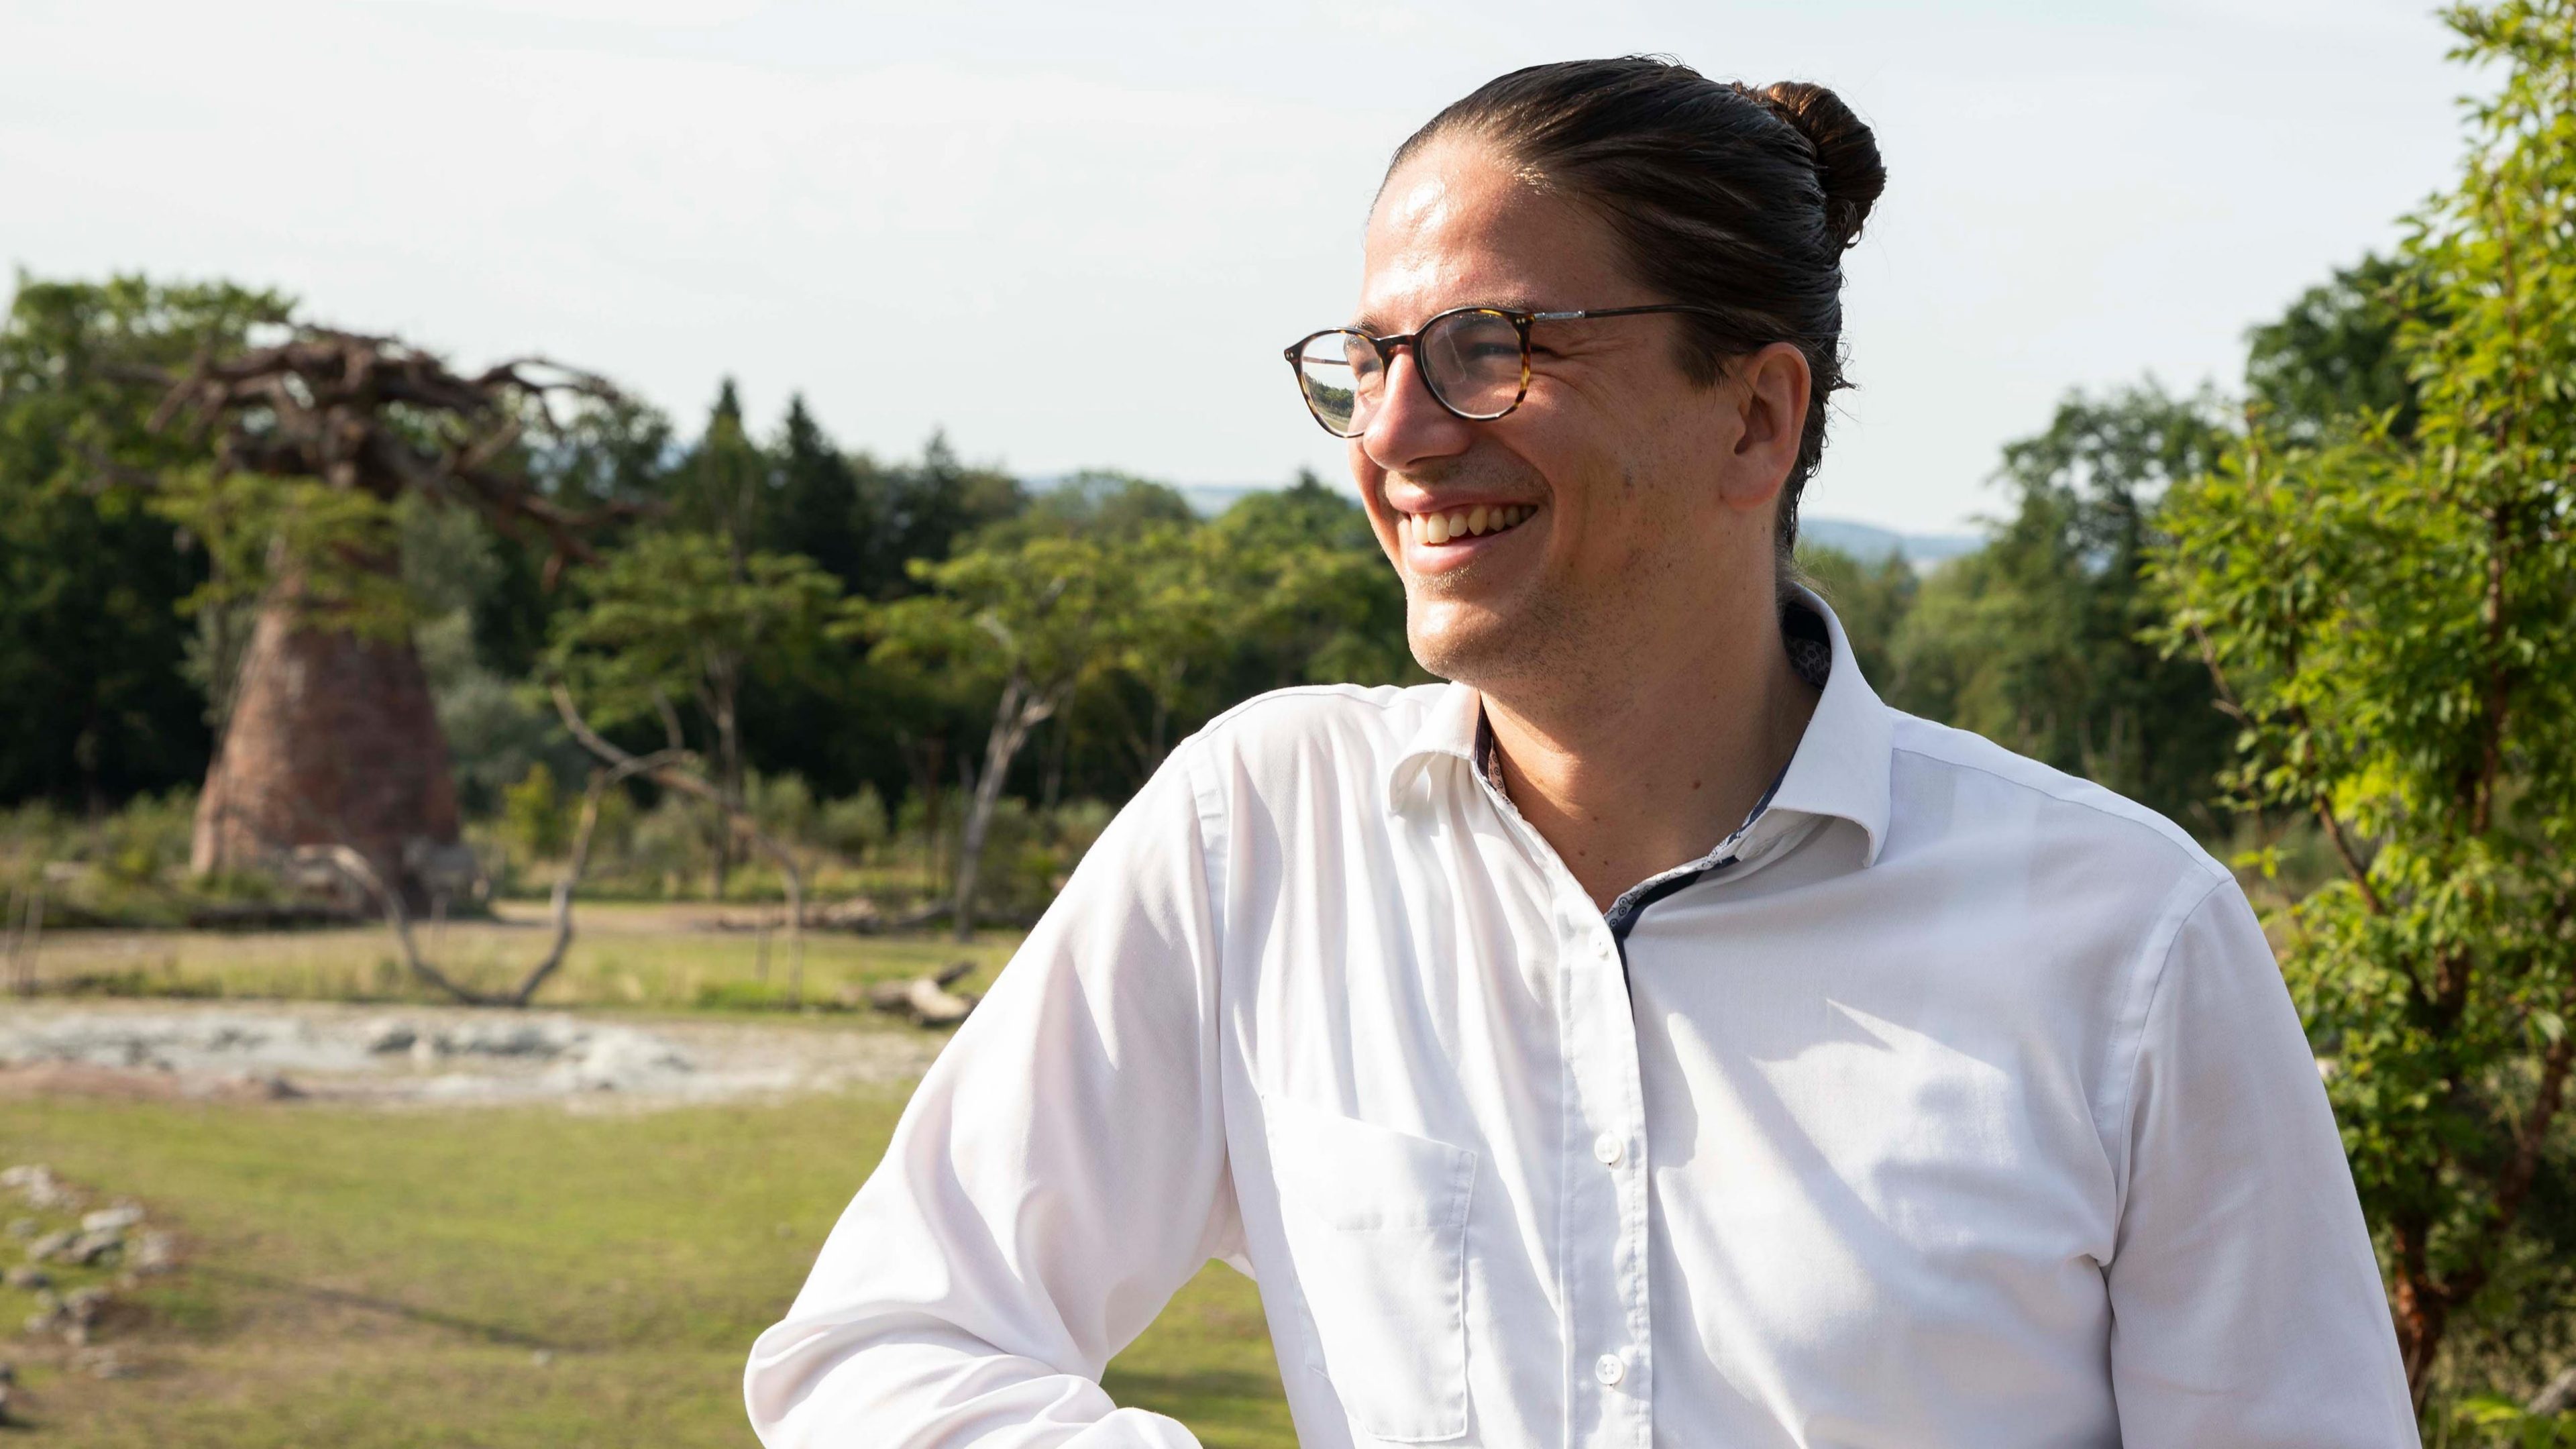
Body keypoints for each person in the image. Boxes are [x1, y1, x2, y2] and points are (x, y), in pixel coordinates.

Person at [744, 56, 2419, 1448]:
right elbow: (890, 1345)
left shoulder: (2125, 938)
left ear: (1755, 417)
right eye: (1371, 362)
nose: (1396, 438)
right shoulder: (1261, 827)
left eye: (1493, 350)